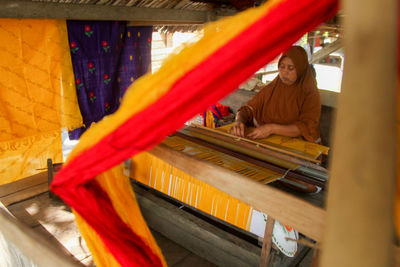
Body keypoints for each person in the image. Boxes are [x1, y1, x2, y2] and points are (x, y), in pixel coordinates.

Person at [229, 45, 321, 144]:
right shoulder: (272, 88)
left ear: (300, 69)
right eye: (282, 67)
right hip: (269, 142)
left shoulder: (310, 94)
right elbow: (247, 109)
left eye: (291, 68)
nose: (285, 72)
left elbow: (305, 127)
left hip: (297, 145)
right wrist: (239, 121)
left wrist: (271, 128)